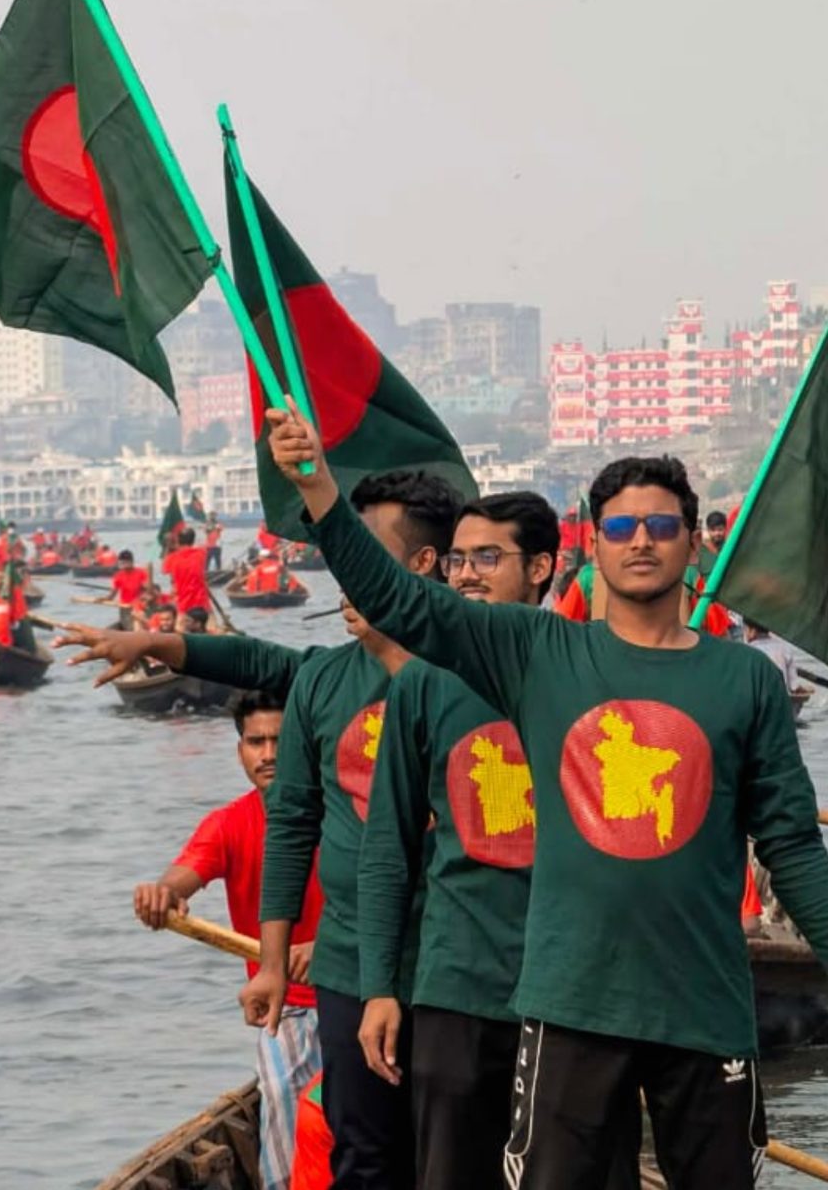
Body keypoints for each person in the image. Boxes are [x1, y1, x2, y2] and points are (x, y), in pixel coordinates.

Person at [268, 410, 828, 1190]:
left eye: (661, 524)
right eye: (621, 525)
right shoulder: (538, 653)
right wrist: (320, 492)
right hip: (571, 1004)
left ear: (691, 541)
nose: (641, 539)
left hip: (705, 1003)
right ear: (593, 544)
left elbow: (792, 844)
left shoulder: (746, 679)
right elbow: (401, 600)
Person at [61, 469, 466, 1190]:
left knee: (459, 1154)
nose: (344, 571)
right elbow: (288, 815)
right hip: (350, 961)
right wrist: (273, 965)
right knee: (364, 1155)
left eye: (361, 552)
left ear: (424, 563)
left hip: (457, 958)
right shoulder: (325, 679)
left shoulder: (479, 666)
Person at [347, 490, 599, 1188]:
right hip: (457, 984)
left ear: (542, 567)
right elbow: (387, 848)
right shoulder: (423, 683)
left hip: (575, 989)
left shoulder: (591, 670)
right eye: (456, 560)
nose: (464, 575)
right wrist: (379, 988)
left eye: (487, 557)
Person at [130, 698, 324, 1190]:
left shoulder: (344, 814)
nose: (269, 754)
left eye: (280, 741)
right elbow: (181, 878)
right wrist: (162, 895)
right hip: (286, 1008)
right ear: (240, 752)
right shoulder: (229, 824)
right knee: (283, 1091)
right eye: (256, 742)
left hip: (362, 995)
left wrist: (327, 945)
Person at [110, 550, 151, 623]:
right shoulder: (118, 575)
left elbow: (148, 589)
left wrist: (145, 592)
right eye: (122, 563)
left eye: (126, 562)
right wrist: (106, 598)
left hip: (139, 606)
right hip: (125, 607)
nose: (124, 565)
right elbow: (113, 593)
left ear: (132, 562)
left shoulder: (141, 572)